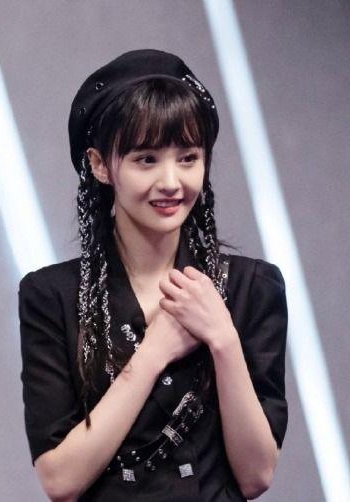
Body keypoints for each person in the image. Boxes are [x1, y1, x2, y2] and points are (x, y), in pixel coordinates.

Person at [18, 49, 288, 502]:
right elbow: (60, 480)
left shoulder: (251, 287)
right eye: (146, 159)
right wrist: (152, 354)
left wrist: (223, 338)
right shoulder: (52, 296)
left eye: (188, 158)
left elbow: (256, 475)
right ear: (101, 165)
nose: (171, 182)